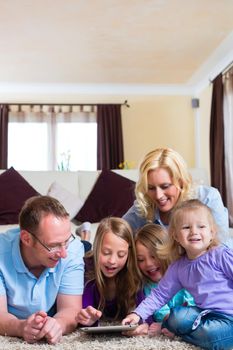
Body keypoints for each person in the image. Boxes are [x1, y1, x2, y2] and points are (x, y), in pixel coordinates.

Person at [123, 199, 233, 350]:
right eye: (186, 227)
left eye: (201, 226)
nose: (194, 231)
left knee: (214, 336)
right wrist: (137, 315)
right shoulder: (178, 267)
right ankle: (189, 332)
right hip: (203, 314)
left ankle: (184, 334)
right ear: (175, 235)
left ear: (212, 232)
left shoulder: (220, 255)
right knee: (177, 317)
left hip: (229, 317)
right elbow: (159, 294)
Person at [0, 195, 84, 344]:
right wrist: (21, 327)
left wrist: (57, 324)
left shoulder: (73, 250)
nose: (64, 253)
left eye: (67, 241)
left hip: (51, 311)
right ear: (26, 239)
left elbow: (71, 309)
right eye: (54, 245)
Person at [123, 147, 230, 246]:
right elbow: (117, 235)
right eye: (151, 188)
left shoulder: (208, 198)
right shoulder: (144, 206)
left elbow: (221, 247)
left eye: (165, 186)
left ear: (181, 182)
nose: (158, 196)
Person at [76, 217, 147, 331]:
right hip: (88, 257)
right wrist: (87, 317)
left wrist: (143, 323)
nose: (112, 261)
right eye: (106, 252)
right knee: (83, 247)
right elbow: (83, 311)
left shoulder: (134, 273)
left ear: (129, 254)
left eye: (121, 255)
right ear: (97, 248)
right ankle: (85, 234)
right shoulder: (85, 268)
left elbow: (145, 313)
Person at [134, 223, 195, 336]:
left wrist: (167, 324)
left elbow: (197, 304)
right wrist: (169, 322)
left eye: (153, 256)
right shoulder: (148, 286)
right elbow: (160, 313)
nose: (148, 264)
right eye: (141, 260)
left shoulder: (184, 273)